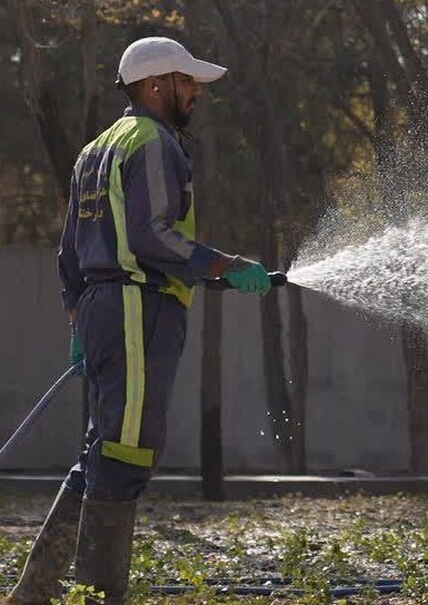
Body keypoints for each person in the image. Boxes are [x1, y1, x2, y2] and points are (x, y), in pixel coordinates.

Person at [3, 37, 272, 605]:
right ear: (155, 86)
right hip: (136, 309)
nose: (196, 91)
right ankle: (99, 596)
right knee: (125, 454)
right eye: (186, 81)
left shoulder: (95, 149)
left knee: (104, 451)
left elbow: (70, 253)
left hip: (106, 309)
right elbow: (153, 237)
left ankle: (37, 592)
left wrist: (79, 320)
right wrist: (225, 264)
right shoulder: (154, 141)